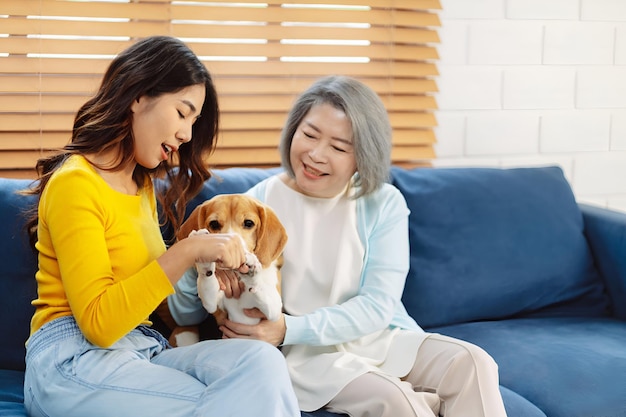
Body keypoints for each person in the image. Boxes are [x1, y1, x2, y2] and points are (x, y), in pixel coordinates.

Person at [21, 35, 299, 417]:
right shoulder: (75, 183)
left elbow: (145, 290)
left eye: (193, 121)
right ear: (139, 95)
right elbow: (100, 324)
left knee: (261, 364)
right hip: (71, 361)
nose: (186, 134)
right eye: (183, 113)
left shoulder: (142, 185)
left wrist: (210, 270)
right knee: (235, 400)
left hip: (140, 351)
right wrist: (187, 251)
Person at [220, 75, 508, 416]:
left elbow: (378, 305)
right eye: (309, 135)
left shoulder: (384, 202)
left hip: (379, 336)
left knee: (474, 362)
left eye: (339, 147)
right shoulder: (256, 205)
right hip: (304, 353)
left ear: (363, 156)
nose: (315, 154)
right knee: (398, 402)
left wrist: (290, 327)